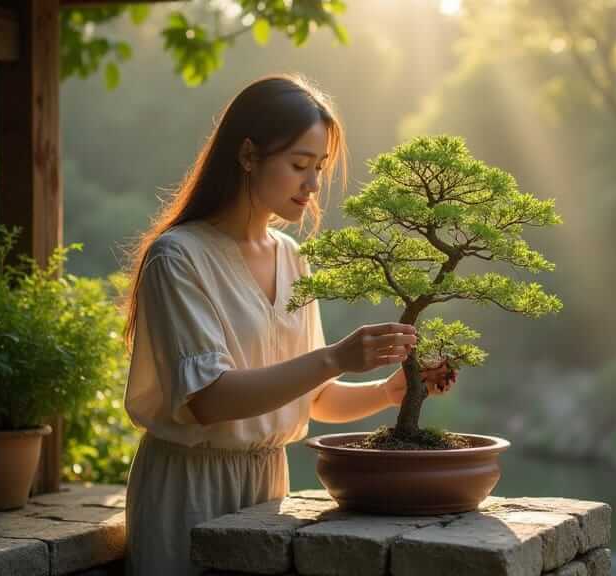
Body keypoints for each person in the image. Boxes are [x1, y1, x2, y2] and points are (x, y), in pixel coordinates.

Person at [121, 74, 456, 575]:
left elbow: (312, 397)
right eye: (300, 165)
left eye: (319, 167)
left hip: (266, 488)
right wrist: (335, 356)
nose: (314, 185)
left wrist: (389, 391)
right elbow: (207, 399)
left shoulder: (292, 257)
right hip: (188, 489)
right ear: (249, 155)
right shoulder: (178, 259)